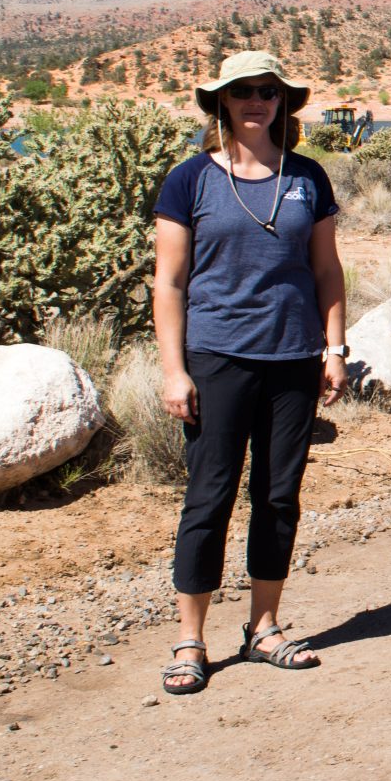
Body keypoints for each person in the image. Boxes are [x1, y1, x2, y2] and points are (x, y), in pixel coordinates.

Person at [151, 50, 347, 696]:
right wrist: (173, 370)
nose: (257, 100)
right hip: (217, 358)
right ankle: (190, 637)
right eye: (243, 91)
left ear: (282, 102)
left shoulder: (308, 177)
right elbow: (170, 281)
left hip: (291, 358)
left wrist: (334, 346)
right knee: (209, 496)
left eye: (268, 90)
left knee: (278, 495)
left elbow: (326, 270)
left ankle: (263, 626)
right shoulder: (190, 180)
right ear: (222, 103)